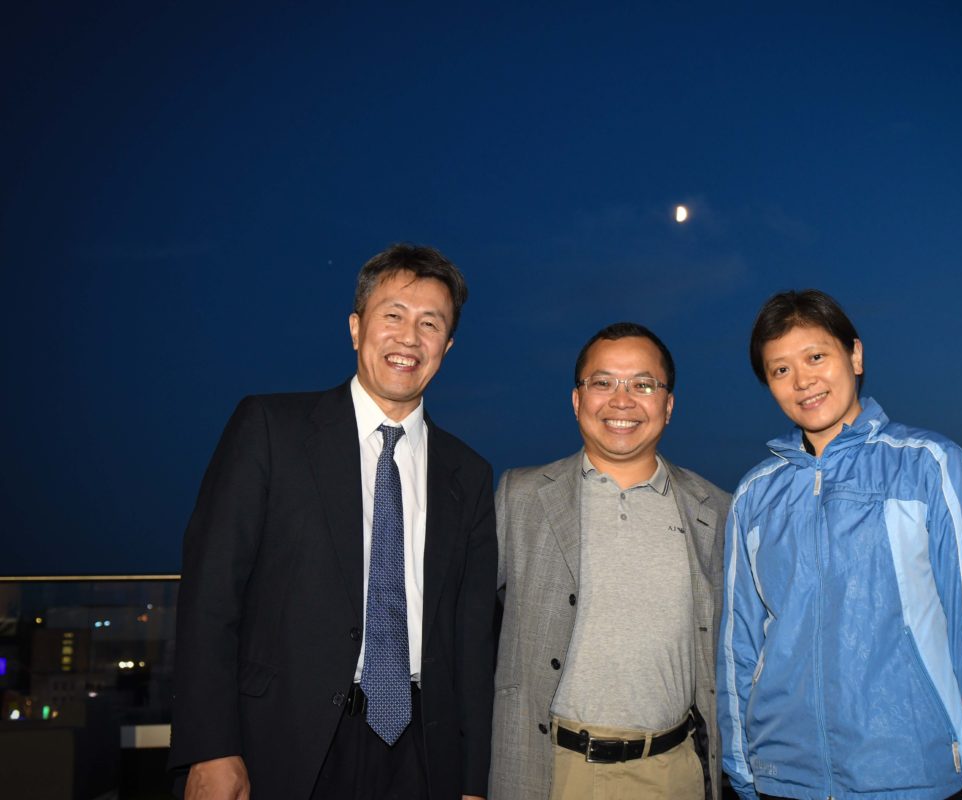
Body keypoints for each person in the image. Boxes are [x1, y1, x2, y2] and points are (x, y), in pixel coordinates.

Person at [168, 244, 497, 800]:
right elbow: (210, 596)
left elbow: (472, 641)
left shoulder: (469, 473)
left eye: (430, 324)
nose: (409, 338)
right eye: (393, 315)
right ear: (356, 327)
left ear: (446, 346)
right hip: (283, 740)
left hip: (422, 753)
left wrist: (471, 780)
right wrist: (210, 746)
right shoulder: (270, 429)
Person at [717, 290, 962, 800]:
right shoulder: (754, 494)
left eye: (816, 357)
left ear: (855, 355)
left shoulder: (930, 466)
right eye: (780, 370)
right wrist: (743, 770)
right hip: (783, 778)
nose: (802, 381)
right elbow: (739, 641)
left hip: (912, 774)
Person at [489, 322, 731, 800]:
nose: (622, 401)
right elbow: (463, 628)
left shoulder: (715, 510)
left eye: (643, 385)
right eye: (603, 382)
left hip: (673, 774)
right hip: (552, 772)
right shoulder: (520, 497)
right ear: (577, 399)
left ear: (668, 405)